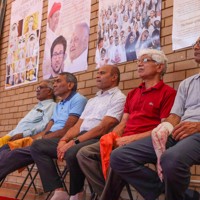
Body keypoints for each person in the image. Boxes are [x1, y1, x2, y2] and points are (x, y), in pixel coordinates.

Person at [77, 48, 177, 199]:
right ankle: (110, 195)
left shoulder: (168, 93)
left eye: (145, 61)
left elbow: (163, 129)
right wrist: (113, 137)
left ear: (159, 67)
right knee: (85, 153)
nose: (139, 65)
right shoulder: (132, 93)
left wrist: (130, 139)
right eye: (138, 62)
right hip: (125, 139)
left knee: (117, 156)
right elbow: (123, 122)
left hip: (145, 140)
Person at [110, 38, 200, 200]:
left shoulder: (166, 92)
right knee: (119, 156)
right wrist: (163, 128)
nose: (196, 47)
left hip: (197, 133)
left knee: (171, 159)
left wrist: (198, 126)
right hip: (180, 132)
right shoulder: (187, 83)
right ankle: (178, 195)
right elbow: (174, 116)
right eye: (195, 44)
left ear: (160, 67)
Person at [30, 65, 126, 200]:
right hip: (79, 137)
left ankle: (77, 193)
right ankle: (59, 191)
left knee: (72, 151)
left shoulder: (119, 98)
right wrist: (64, 139)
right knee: (38, 146)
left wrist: (73, 142)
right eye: (97, 73)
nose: (97, 76)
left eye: (102, 73)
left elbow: (103, 128)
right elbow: (77, 126)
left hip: (96, 138)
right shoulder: (93, 100)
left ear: (114, 77)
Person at [0, 72, 87, 182]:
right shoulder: (60, 104)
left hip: (60, 140)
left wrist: (39, 138)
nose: (55, 84)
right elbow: (47, 129)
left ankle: (58, 191)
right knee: (5, 151)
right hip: (47, 139)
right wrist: (35, 138)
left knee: (12, 154)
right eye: (54, 82)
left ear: (70, 85)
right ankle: (58, 191)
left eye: (58, 81)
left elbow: (67, 129)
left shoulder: (78, 100)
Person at [0, 80, 56, 149]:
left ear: (49, 91)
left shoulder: (51, 105)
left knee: (4, 152)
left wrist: (24, 134)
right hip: (12, 135)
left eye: (40, 88)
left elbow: (45, 125)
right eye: (37, 88)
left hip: (22, 139)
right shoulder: (38, 106)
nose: (37, 90)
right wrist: (9, 135)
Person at [43, 2, 61, 79]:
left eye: (59, 16)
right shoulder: (47, 38)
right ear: (49, 19)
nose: (58, 19)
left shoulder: (57, 36)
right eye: (55, 16)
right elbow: (47, 60)